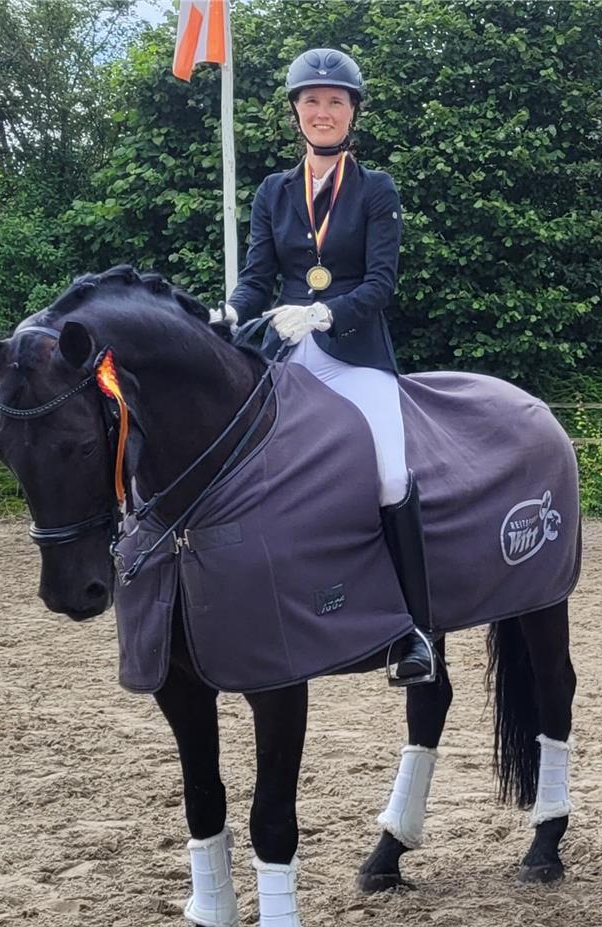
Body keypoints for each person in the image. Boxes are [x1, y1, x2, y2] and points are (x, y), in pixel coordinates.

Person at [222, 47, 434, 686]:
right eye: (311, 101)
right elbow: (257, 278)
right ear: (296, 114)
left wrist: (323, 313)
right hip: (279, 350)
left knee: (391, 475)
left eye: (334, 102)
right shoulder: (272, 192)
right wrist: (230, 313)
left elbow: (380, 284)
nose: (322, 111)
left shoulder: (376, 190)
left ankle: (413, 632)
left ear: (351, 115)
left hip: (353, 354)